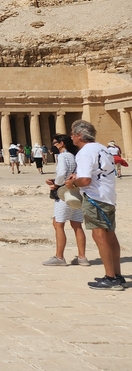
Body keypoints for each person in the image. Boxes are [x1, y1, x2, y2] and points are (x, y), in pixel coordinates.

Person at [63, 120, 121, 290]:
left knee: (99, 235)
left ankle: (110, 278)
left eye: (73, 134)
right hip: (108, 195)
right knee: (110, 235)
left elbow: (86, 180)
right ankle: (117, 275)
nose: (71, 137)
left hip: (95, 197)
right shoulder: (102, 148)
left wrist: (72, 184)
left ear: (79, 135)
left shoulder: (84, 152)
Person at [43, 134, 88, 266]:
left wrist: (55, 184)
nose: (54, 145)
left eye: (55, 143)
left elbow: (62, 172)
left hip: (64, 193)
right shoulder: (76, 156)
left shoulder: (63, 156)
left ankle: (59, 257)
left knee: (58, 224)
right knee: (77, 225)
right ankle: (82, 257)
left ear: (62, 143)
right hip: (76, 192)